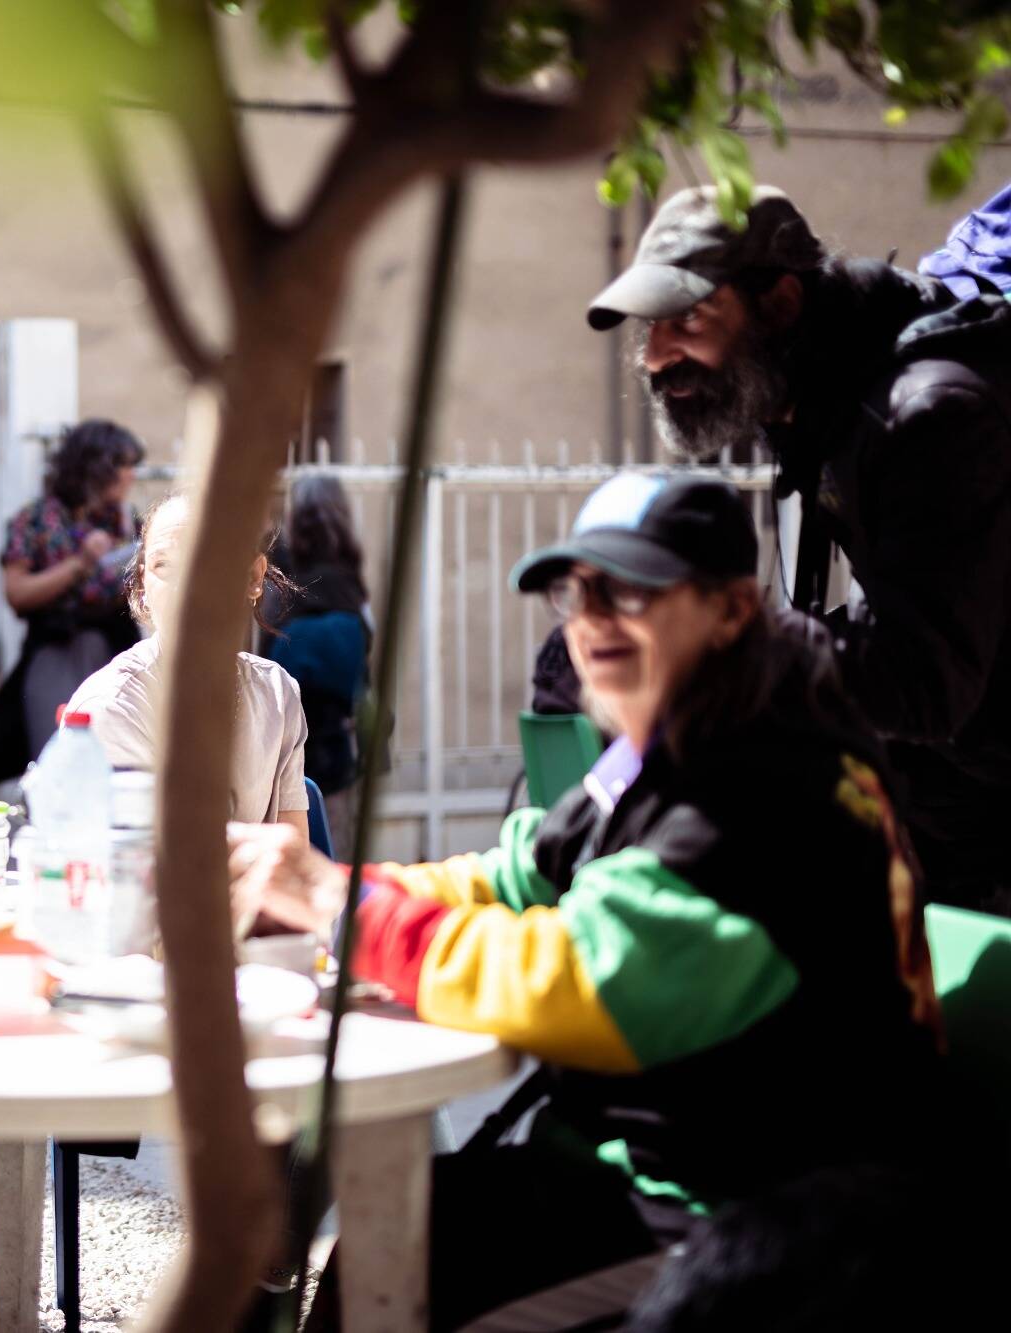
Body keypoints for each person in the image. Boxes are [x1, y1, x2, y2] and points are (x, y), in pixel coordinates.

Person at [230, 474, 964, 1331]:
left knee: (418, 1280)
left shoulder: (764, 782)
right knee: (398, 1230)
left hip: (753, 1224)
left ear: (730, 610)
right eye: (577, 591)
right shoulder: (673, 743)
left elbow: (573, 979)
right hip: (644, 1173)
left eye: (633, 589)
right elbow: (517, 875)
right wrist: (328, 891)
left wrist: (343, 909)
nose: (594, 618)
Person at [588, 183, 1011, 914]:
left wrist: (720, 642)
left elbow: (924, 678)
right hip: (955, 799)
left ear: (780, 305)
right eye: (649, 329)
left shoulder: (926, 414)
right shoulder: (810, 395)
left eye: (687, 319)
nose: (656, 358)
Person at [66, 492, 310, 840]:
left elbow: (293, 853)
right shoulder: (114, 707)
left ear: (254, 577)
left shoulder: (276, 693)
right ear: (143, 585)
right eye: (164, 566)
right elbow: (150, 866)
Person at [0, 418, 145, 787]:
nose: (132, 474)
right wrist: (81, 564)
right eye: (124, 464)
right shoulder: (38, 519)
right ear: (98, 467)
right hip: (57, 650)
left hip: (116, 648)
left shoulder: (124, 520)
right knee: (58, 759)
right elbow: (18, 593)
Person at [262, 467, 372, 849]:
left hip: (283, 733)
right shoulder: (351, 581)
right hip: (337, 740)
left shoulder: (279, 577)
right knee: (334, 839)